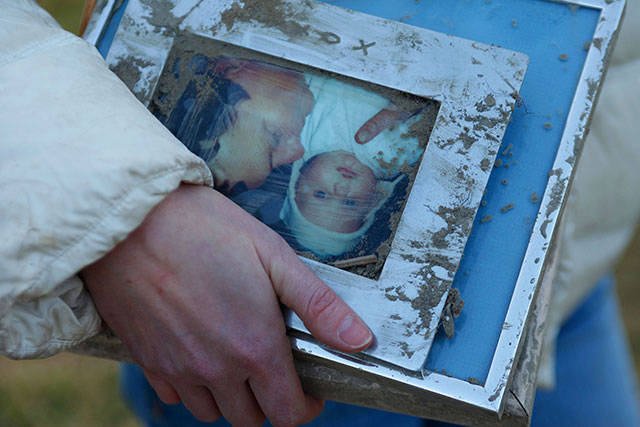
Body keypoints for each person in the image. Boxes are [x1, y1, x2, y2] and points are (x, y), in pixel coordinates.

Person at [0, 2, 373, 426]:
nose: (298, 152)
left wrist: (126, 205)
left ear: (230, 69)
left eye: (273, 141)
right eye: (277, 160)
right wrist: (128, 216)